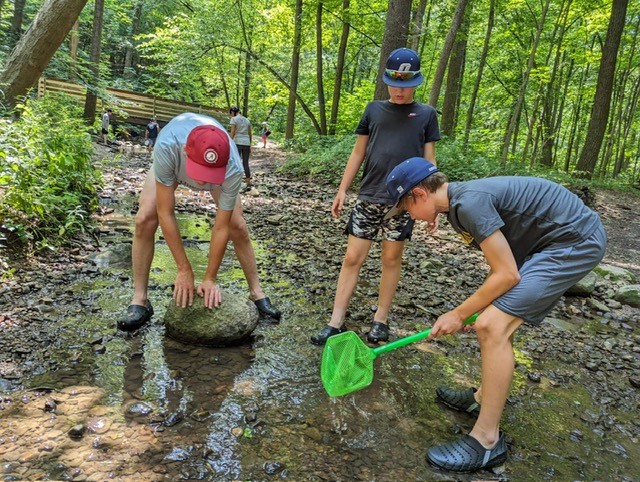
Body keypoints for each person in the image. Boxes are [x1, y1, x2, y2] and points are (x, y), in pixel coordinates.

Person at [385, 157, 607, 472]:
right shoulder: (456, 207)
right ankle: (481, 397)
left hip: (574, 241)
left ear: (419, 194)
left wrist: (460, 313)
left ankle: (487, 441)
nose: (409, 216)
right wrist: (477, 308)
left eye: (406, 208)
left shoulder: (470, 204)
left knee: (491, 326)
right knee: (494, 318)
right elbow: (502, 263)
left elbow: (507, 275)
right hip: (544, 246)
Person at [310, 48, 440, 346]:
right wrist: (343, 188)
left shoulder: (426, 115)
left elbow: (430, 162)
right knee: (352, 257)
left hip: (404, 202)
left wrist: (434, 207)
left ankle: (380, 319)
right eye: (395, 83)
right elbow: (359, 152)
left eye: (406, 84)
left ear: (416, 83)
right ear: (387, 81)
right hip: (370, 193)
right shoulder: (373, 110)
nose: (399, 90)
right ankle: (335, 321)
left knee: (392, 258)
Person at [117, 112, 281, 331]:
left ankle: (256, 292)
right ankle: (140, 299)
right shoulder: (168, 146)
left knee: (237, 226)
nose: (202, 181)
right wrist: (184, 269)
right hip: (173, 159)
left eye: (209, 173)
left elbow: (221, 226)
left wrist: (210, 278)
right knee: (145, 217)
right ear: (186, 152)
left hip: (220, 170)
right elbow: (166, 212)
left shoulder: (232, 167)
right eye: (199, 172)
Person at [229, 106, 252, 187]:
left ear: (232, 112)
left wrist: (229, 142)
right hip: (246, 143)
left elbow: (233, 132)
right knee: (245, 162)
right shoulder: (247, 120)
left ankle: (236, 180)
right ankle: (248, 180)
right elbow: (250, 134)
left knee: (237, 162)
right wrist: (250, 145)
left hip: (238, 142)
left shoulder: (234, 119)